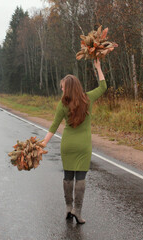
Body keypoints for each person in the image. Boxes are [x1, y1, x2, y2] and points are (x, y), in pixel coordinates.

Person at [42, 58, 108, 224]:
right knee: (80, 178)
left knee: (67, 177)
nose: (61, 89)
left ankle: (68, 208)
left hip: (68, 145)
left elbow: (53, 126)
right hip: (83, 146)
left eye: (62, 87)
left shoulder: (62, 105)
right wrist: (98, 67)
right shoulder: (88, 99)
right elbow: (103, 87)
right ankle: (78, 211)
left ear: (68, 88)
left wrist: (42, 144)